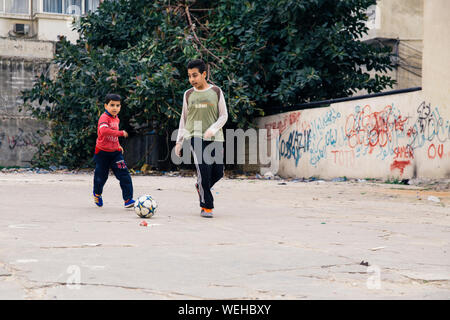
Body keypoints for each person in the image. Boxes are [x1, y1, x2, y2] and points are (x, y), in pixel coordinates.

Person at [175, 59, 228, 218]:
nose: (192, 79)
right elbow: (184, 118)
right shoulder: (188, 94)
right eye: (190, 76)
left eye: (195, 75)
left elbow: (224, 115)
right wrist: (179, 141)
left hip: (215, 137)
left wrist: (213, 129)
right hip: (194, 135)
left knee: (218, 172)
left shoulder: (217, 91)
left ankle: (201, 187)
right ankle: (207, 206)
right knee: (204, 170)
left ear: (204, 74)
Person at [93, 93, 135, 208]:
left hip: (115, 153)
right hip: (102, 153)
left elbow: (113, 136)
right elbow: (104, 132)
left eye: (117, 105)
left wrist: (118, 145)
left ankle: (128, 199)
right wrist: (120, 133)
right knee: (101, 176)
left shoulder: (116, 119)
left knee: (124, 175)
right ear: (106, 106)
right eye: (112, 105)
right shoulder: (104, 118)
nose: (115, 108)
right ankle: (97, 193)